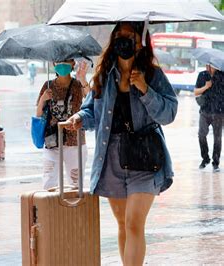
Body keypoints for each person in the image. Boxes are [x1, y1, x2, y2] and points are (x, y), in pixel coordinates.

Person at [64, 22, 178, 265]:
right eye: (119, 35)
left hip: (144, 158)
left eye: (129, 35)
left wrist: (145, 89)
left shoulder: (153, 74)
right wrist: (79, 118)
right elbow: (91, 111)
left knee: (134, 222)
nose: (123, 39)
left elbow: (169, 114)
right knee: (123, 225)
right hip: (111, 157)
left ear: (140, 41)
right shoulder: (105, 75)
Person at [36, 59, 89, 189]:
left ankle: (74, 209)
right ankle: (49, 209)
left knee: (76, 184)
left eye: (66, 61)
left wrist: (83, 78)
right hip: (52, 140)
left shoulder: (78, 85)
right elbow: (38, 114)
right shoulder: (47, 85)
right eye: (58, 61)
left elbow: (92, 99)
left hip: (75, 141)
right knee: (49, 182)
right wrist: (43, 99)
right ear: (53, 64)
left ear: (72, 64)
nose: (62, 64)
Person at [194, 63, 223, 172]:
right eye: (208, 65)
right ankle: (205, 158)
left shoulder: (222, 76)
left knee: (217, 138)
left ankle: (216, 163)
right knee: (201, 135)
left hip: (219, 112)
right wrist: (206, 86)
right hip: (205, 111)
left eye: (212, 65)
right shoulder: (202, 75)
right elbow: (195, 92)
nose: (209, 67)